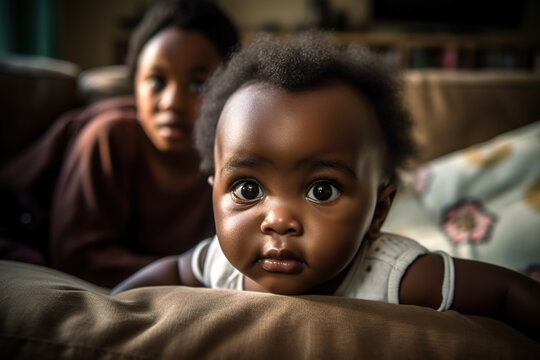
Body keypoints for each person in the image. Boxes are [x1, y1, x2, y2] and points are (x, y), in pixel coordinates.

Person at [110, 32, 540, 342]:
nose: (278, 220)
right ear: (213, 194)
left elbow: (506, 293)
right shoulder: (217, 264)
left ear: (378, 212)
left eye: (321, 190)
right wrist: (106, 306)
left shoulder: (393, 275)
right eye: (247, 189)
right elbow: (163, 277)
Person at [0, 0, 239, 288]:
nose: (172, 103)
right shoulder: (108, 137)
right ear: (134, 84)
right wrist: (190, 273)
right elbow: (79, 258)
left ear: (228, 90)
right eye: (157, 81)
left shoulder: (231, 155)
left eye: (198, 84)